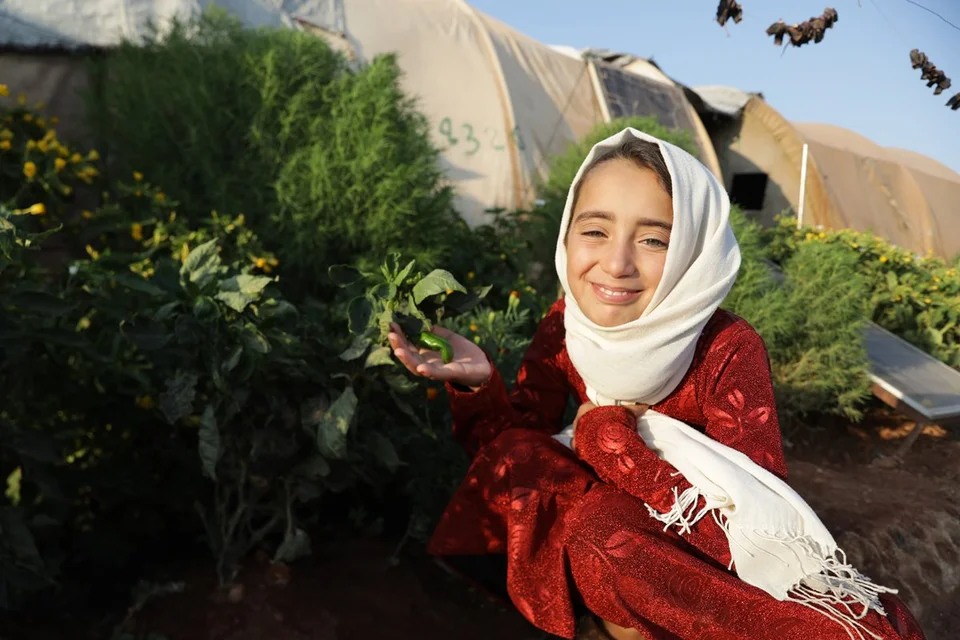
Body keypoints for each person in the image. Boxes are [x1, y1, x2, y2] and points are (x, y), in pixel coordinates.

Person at [387, 128, 925, 640]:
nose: (616, 264)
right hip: (617, 554)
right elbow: (513, 445)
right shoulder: (566, 325)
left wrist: (618, 449)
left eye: (652, 239)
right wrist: (480, 382)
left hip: (696, 559)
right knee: (567, 498)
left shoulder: (724, 348)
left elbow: (747, 527)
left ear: (695, 251)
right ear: (568, 234)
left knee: (604, 529)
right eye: (595, 230)